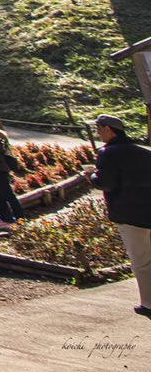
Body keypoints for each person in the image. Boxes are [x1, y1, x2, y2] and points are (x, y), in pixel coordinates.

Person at [86, 114, 151, 317]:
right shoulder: (144, 152)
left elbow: (107, 183)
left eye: (99, 129)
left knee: (141, 261)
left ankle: (148, 303)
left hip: (129, 214)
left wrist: (91, 176)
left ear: (108, 129)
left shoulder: (108, 153)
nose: (98, 133)